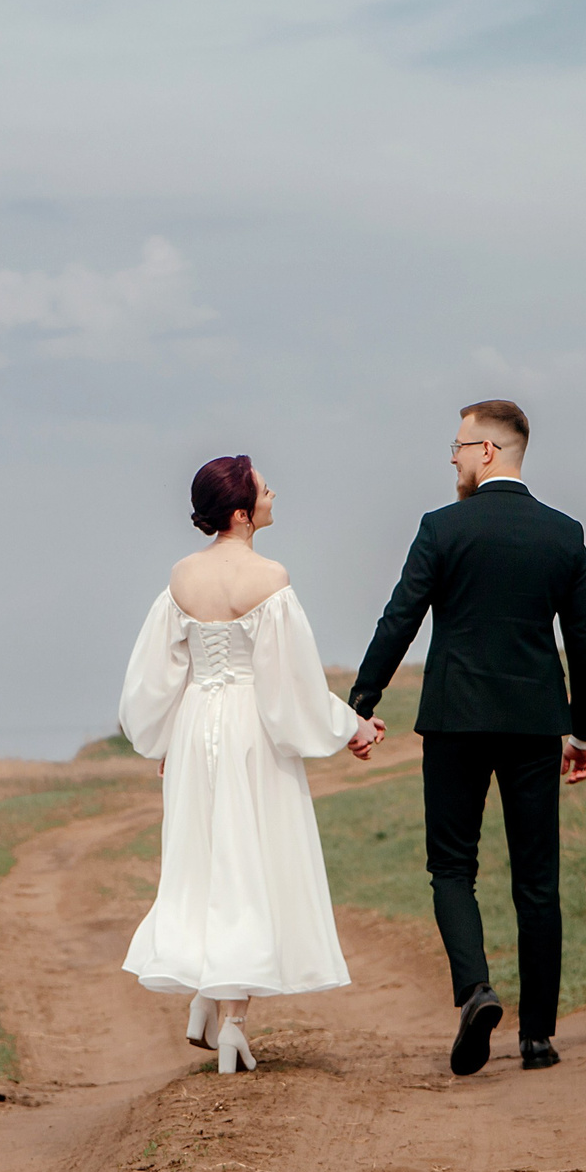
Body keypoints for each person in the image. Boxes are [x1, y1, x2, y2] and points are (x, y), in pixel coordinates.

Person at [348, 400, 586, 1076]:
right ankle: (538, 1038)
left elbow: (399, 618)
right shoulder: (564, 534)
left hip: (454, 720)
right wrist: (584, 731)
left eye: (458, 447)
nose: (453, 459)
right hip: (534, 725)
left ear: (487, 451)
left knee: (453, 868)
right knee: (537, 880)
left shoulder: (442, 527)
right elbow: (582, 641)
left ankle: (476, 990)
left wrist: (361, 703)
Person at [118, 455, 384, 1073]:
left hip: (195, 726)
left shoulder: (182, 576)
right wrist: (352, 725)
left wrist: (167, 740)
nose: (273, 494)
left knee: (203, 860)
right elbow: (291, 687)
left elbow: (156, 677)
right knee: (247, 865)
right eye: (265, 489)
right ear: (242, 512)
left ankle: (205, 997)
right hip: (249, 731)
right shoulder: (270, 578)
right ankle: (232, 1023)